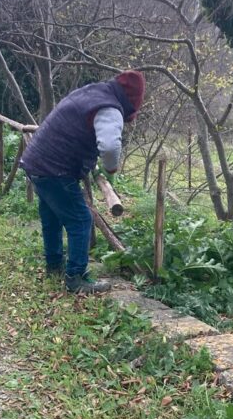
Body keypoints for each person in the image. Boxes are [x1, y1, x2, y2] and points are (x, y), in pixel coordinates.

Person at [21, 71, 145, 295]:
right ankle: (76, 277)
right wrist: (110, 168)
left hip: (36, 161)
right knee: (81, 219)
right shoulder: (109, 108)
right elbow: (110, 146)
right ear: (131, 102)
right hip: (55, 168)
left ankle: (54, 265)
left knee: (51, 217)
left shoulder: (93, 92)